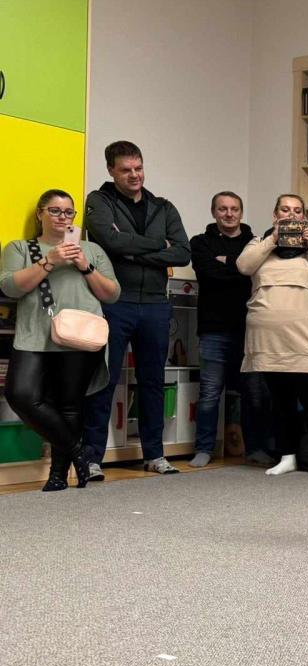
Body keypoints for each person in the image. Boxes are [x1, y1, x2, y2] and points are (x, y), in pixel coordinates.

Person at [82, 140, 191, 478]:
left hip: (156, 304)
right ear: (111, 171)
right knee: (104, 379)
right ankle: (91, 458)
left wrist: (131, 250)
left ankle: (154, 455)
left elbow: (182, 252)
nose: (134, 175)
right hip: (114, 302)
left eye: (138, 168)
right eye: (126, 170)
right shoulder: (99, 201)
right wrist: (159, 245)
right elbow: (110, 242)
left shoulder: (163, 207)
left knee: (153, 381)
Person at [1, 190, 119, 490]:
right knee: (20, 395)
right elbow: (10, 288)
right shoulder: (20, 248)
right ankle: (79, 451)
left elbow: (111, 294)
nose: (62, 217)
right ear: (40, 213)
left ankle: (58, 476)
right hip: (34, 335)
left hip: (80, 335)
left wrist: (85, 266)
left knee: (70, 405)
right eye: (54, 211)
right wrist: (49, 261)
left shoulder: (91, 250)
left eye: (68, 212)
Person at [237, 194, 308, 479]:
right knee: (280, 400)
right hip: (269, 336)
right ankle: (287, 456)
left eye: (297, 210)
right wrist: (272, 239)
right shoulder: (260, 242)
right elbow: (244, 266)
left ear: (304, 217)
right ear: (275, 215)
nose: (291, 214)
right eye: (285, 210)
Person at [189, 191, 268, 468]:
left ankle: (255, 448)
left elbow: (256, 275)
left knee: (253, 393)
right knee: (210, 393)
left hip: (250, 329)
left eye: (234, 209)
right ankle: (204, 448)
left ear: (241, 212)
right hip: (213, 328)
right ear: (214, 212)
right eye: (222, 209)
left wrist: (226, 261)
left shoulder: (255, 243)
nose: (229, 214)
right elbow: (209, 274)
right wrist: (239, 267)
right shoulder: (200, 243)